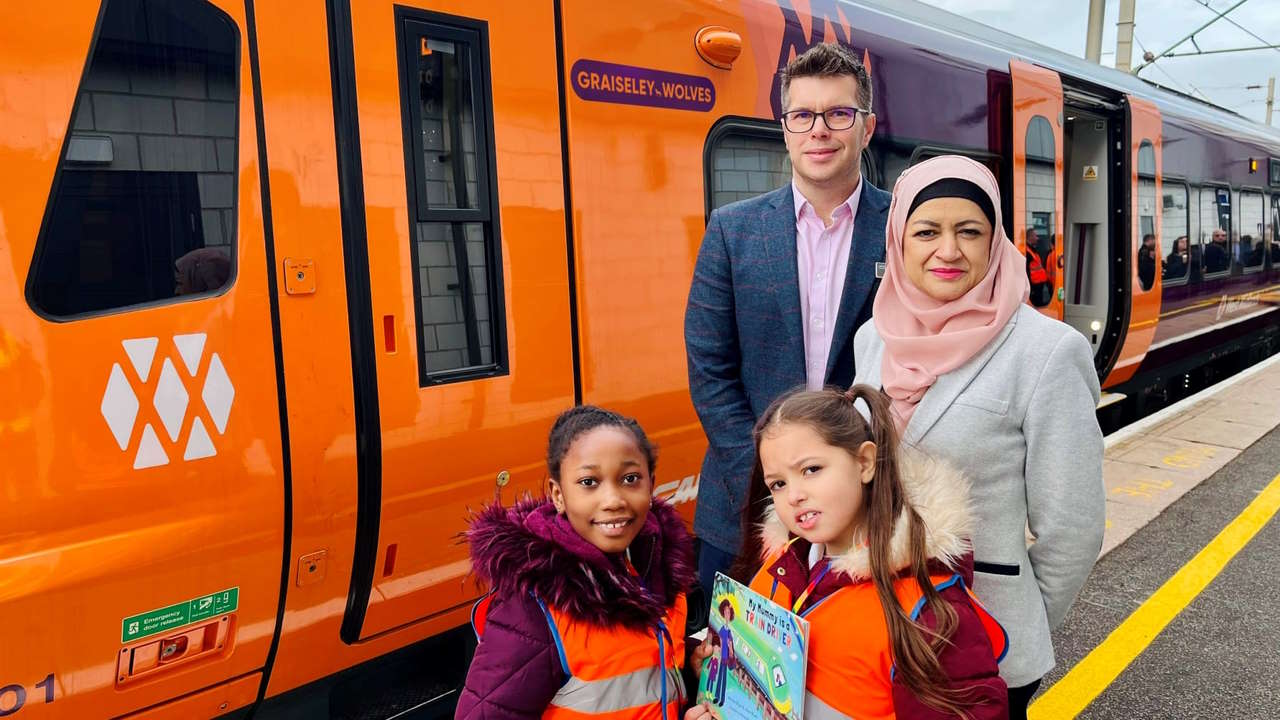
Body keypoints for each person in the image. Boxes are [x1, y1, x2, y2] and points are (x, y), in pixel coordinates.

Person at [852, 155, 1104, 720]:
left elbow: (1073, 526)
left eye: (970, 231)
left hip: (984, 639)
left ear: (995, 242)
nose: (948, 250)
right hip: (873, 634)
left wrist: (1027, 616)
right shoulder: (874, 337)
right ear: (898, 239)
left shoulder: (1045, 351)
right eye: (927, 231)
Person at [685, 42, 891, 597]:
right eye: (802, 115)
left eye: (838, 114)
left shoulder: (903, 228)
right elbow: (709, 367)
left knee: (844, 675)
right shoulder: (732, 230)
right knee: (734, 675)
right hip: (744, 514)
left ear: (866, 128)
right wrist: (767, 476)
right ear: (785, 129)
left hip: (866, 514)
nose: (818, 130)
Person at [686, 385, 1008, 720]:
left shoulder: (927, 613)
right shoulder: (776, 568)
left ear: (865, 462)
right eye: (778, 484)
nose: (794, 495)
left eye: (811, 469)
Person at [456, 406, 697, 719]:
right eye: (588, 482)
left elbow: (643, 671)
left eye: (630, 478)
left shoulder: (660, 570)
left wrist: (693, 666)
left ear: (651, 485)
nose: (613, 500)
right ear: (558, 495)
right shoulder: (535, 608)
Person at [1023, 228, 1052, 306]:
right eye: (1035, 236)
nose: (1037, 238)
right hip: (1034, 285)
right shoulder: (1027, 251)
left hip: (1038, 283)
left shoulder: (1032, 249)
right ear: (1030, 237)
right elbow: (1026, 270)